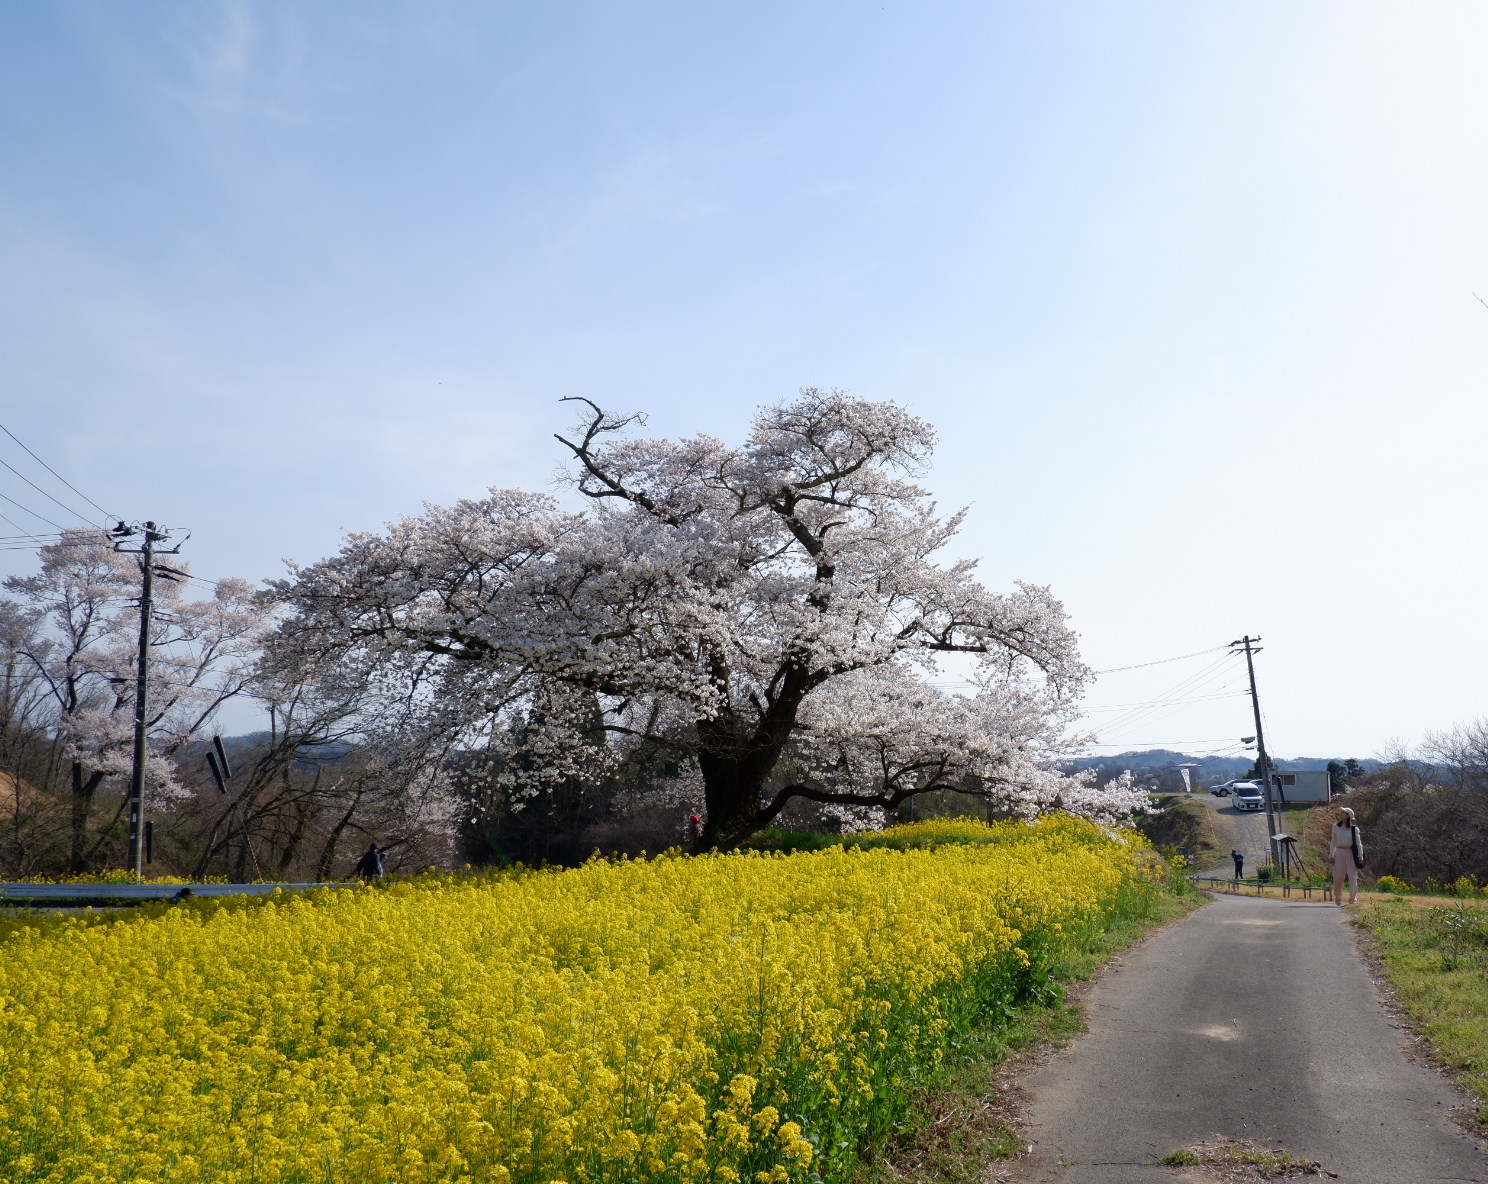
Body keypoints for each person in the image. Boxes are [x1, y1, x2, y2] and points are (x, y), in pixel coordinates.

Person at [1328, 806, 1363, 906]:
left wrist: (1360, 856)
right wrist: (1331, 854)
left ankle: (1353, 899)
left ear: (1348, 816)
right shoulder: (1335, 827)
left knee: (1352, 877)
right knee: (1338, 877)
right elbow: (1333, 842)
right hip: (1338, 853)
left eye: (1343, 812)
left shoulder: (1354, 829)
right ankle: (1338, 897)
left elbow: (1358, 843)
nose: (1341, 813)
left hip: (1350, 853)